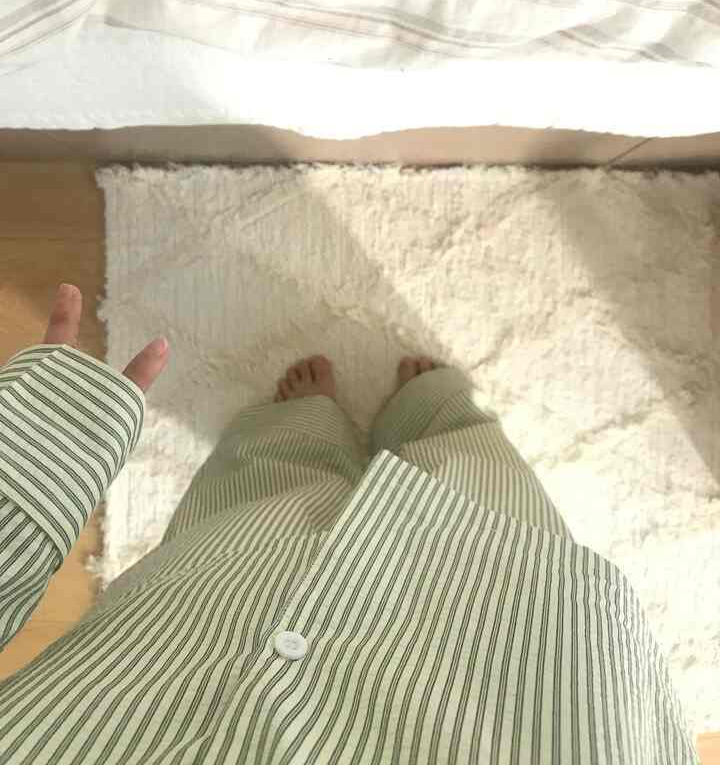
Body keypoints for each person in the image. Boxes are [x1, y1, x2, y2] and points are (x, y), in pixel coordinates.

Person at [0, 283, 699, 764]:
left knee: (254, 522)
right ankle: (444, 425)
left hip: (151, 695)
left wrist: (33, 464)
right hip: (522, 712)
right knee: (491, 530)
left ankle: (300, 432)